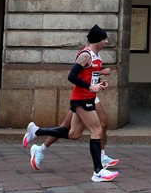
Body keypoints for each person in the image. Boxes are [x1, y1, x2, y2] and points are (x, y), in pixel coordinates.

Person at [20, 24, 119, 182]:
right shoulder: (86, 55)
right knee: (97, 130)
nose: (106, 42)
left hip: (87, 97)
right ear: (97, 40)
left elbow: (88, 76)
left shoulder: (96, 55)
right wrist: (90, 87)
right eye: (104, 39)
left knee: (74, 134)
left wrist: (99, 83)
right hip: (82, 98)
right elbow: (72, 76)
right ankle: (98, 171)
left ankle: (37, 131)